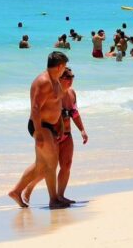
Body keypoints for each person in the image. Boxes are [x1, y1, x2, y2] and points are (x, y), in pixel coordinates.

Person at [8, 51, 71, 210]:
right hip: (41, 126)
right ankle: (53, 200)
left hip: (49, 126)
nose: (65, 70)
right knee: (51, 164)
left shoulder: (54, 80)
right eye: (64, 67)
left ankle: (16, 191)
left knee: (41, 166)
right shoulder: (43, 81)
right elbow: (35, 108)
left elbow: (56, 105)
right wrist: (39, 133)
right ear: (60, 66)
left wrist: (60, 125)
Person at [24, 67, 88, 205]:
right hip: (53, 134)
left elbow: (74, 113)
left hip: (67, 135)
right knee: (46, 169)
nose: (70, 80)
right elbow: (39, 110)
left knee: (66, 165)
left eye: (72, 77)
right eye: (67, 77)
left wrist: (82, 129)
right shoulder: (53, 93)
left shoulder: (71, 93)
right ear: (59, 78)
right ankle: (29, 188)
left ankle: (60, 196)